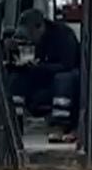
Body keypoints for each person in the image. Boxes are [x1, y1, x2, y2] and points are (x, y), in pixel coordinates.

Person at [10, 8, 82, 143]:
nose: (30, 39)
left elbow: (68, 65)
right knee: (18, 78)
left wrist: (40, 68)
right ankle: (14, 122)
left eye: (30, 34)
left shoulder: (64, 35)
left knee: (63, 79)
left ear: (40, 27)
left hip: (69, 83)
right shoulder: (39, 41)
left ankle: (60, 125)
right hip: (47, 79)